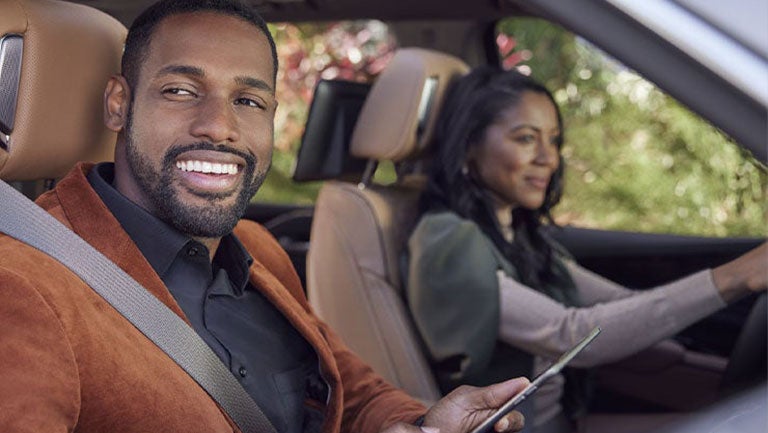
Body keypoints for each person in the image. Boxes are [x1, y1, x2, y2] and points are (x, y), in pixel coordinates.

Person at [0, 2, 529, 433]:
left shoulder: (259, 250)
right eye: (181, 91)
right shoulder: (22, 286)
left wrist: (417, 425)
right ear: (119, 103)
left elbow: (353, 391)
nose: (220, 127)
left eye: (249, 100)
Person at [404, 66, 767, 433]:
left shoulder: (517, 233)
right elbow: (569, 334)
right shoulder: (446, 239)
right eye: (527, 139)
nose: (549, 158)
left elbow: (622, 302)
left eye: (553, 140)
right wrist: (738, 277)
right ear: (469, 146)